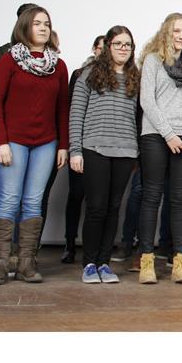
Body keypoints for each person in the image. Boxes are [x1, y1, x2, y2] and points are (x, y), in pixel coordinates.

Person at [0, 5, 69, 284]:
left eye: (47, 24)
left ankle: (26, 264)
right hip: (13, 141)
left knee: (33, 201)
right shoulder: (9, 60)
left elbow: (62, 108)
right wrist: (1, 141)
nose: (43, 28)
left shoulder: (58, 66)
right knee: (8, 199)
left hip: (46, 143)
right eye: (37, 23)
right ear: (25, 27)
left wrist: (63, 145)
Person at [136, 13, 182, 285]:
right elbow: (147, 101)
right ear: (166, 32)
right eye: (176, 30)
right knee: (152, 196)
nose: (181, 36)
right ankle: (146, 261)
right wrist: (169, 134)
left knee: (179, 199)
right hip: (156, 134)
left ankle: (179, 262)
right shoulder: (153, 60)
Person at [69, 26, 139, 284]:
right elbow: (76, 114)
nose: (123, 48)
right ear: (108, 46)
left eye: (128, 44)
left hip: (126, 151)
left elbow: (137, 117)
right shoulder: (89, 74)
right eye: (118, 43)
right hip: (95, 148)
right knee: (96, 207)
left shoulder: (135, 77)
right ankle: (89, 264)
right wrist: (75, 150)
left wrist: (137, 152)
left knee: (113, 208)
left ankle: (104, 263)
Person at [61, 34, 105, 264]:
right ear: (94, 49)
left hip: (102, 148)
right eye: (101, 48)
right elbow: (72, 110)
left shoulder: (121, 76)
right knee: (76, 195)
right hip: (81, 145)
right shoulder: (80, 74)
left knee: (97, 201)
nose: (105, 52)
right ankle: (69, 243)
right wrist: (73, 147)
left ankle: (93, 249)